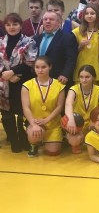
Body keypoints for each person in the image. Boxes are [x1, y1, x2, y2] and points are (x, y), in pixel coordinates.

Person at [0, 13, 37, 152]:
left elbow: (31, 62)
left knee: (22, 112)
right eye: (8, 24)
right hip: (4, 83)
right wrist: (7, 75)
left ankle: (23, 138)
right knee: (6, 112)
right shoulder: (0, 42)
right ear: (5, 26)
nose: (11, 27)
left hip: (22, 81)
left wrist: (14, 72)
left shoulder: (29, 42)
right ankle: (13, 140)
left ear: (20, 26)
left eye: (15, 24)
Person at [64, 65, 99, 153]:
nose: (84, 80)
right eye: (81, 77)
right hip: (78, 123)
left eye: (87, 77)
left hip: (93, 123)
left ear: (93, 78)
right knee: (73, 135)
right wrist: (71, 119)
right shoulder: (73, 89)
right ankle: (77, 143)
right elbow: (68, 105)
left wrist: (95, 119)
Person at [21, 56, 66, 157]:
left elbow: (59, 107)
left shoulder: (59, 85)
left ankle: (49, 140)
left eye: (43, 67)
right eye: (37, 67)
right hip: (35, 122)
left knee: (53, 152)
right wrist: (33, 124)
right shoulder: (27, 85)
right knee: (34, 134)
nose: (40, 70)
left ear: (50, 67)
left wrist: (46, 120)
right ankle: (34, 144)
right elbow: (26, 108)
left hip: (52, 123)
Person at [35, 11, 78, 87]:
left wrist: (65, 74)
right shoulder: (37, 38)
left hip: (59, 79)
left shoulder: (67, 38)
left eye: (51, 19)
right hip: (40, 79)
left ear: (58, 22)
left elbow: (71, 59)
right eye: (45, 19)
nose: (48, 21)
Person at [72, 4, 99, 83]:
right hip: (80, 67)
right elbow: (71, 53)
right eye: (87, 13)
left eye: (92, 13)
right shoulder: (76, 32)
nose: (89, 16)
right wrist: (80, 46)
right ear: (83, 16)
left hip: (95, 68)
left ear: (97, 15)